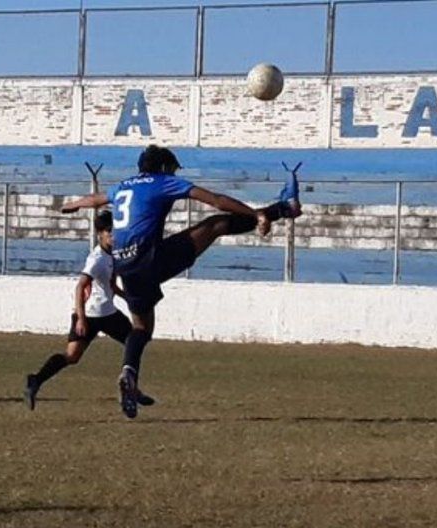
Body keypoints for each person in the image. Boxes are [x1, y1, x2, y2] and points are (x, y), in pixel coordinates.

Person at [60, 145, 301, 418]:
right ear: (164, 168)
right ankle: (282, 209)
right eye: (173, 168)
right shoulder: (163, 181)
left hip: (126, 267)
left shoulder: (123, 187)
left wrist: (73, 204)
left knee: (141, 328)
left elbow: (95, 199)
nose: (175, 173)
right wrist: (256, 214)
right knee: (217, 224)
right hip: (151, 258)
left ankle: (129, 374)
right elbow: (217, 200)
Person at [24, 210, 155, 411]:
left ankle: (132, 389)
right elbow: (80, 286)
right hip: (93, 315)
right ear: (100, 234)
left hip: (106, 312)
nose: (114, 236)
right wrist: (81, 319)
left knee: (132, 343)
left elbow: (111, 284)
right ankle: (36, 380)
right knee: (130, 342)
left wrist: (127, 298)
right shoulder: (97, 259)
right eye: (109, 232)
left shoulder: (113, 254)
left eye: (116, 231)